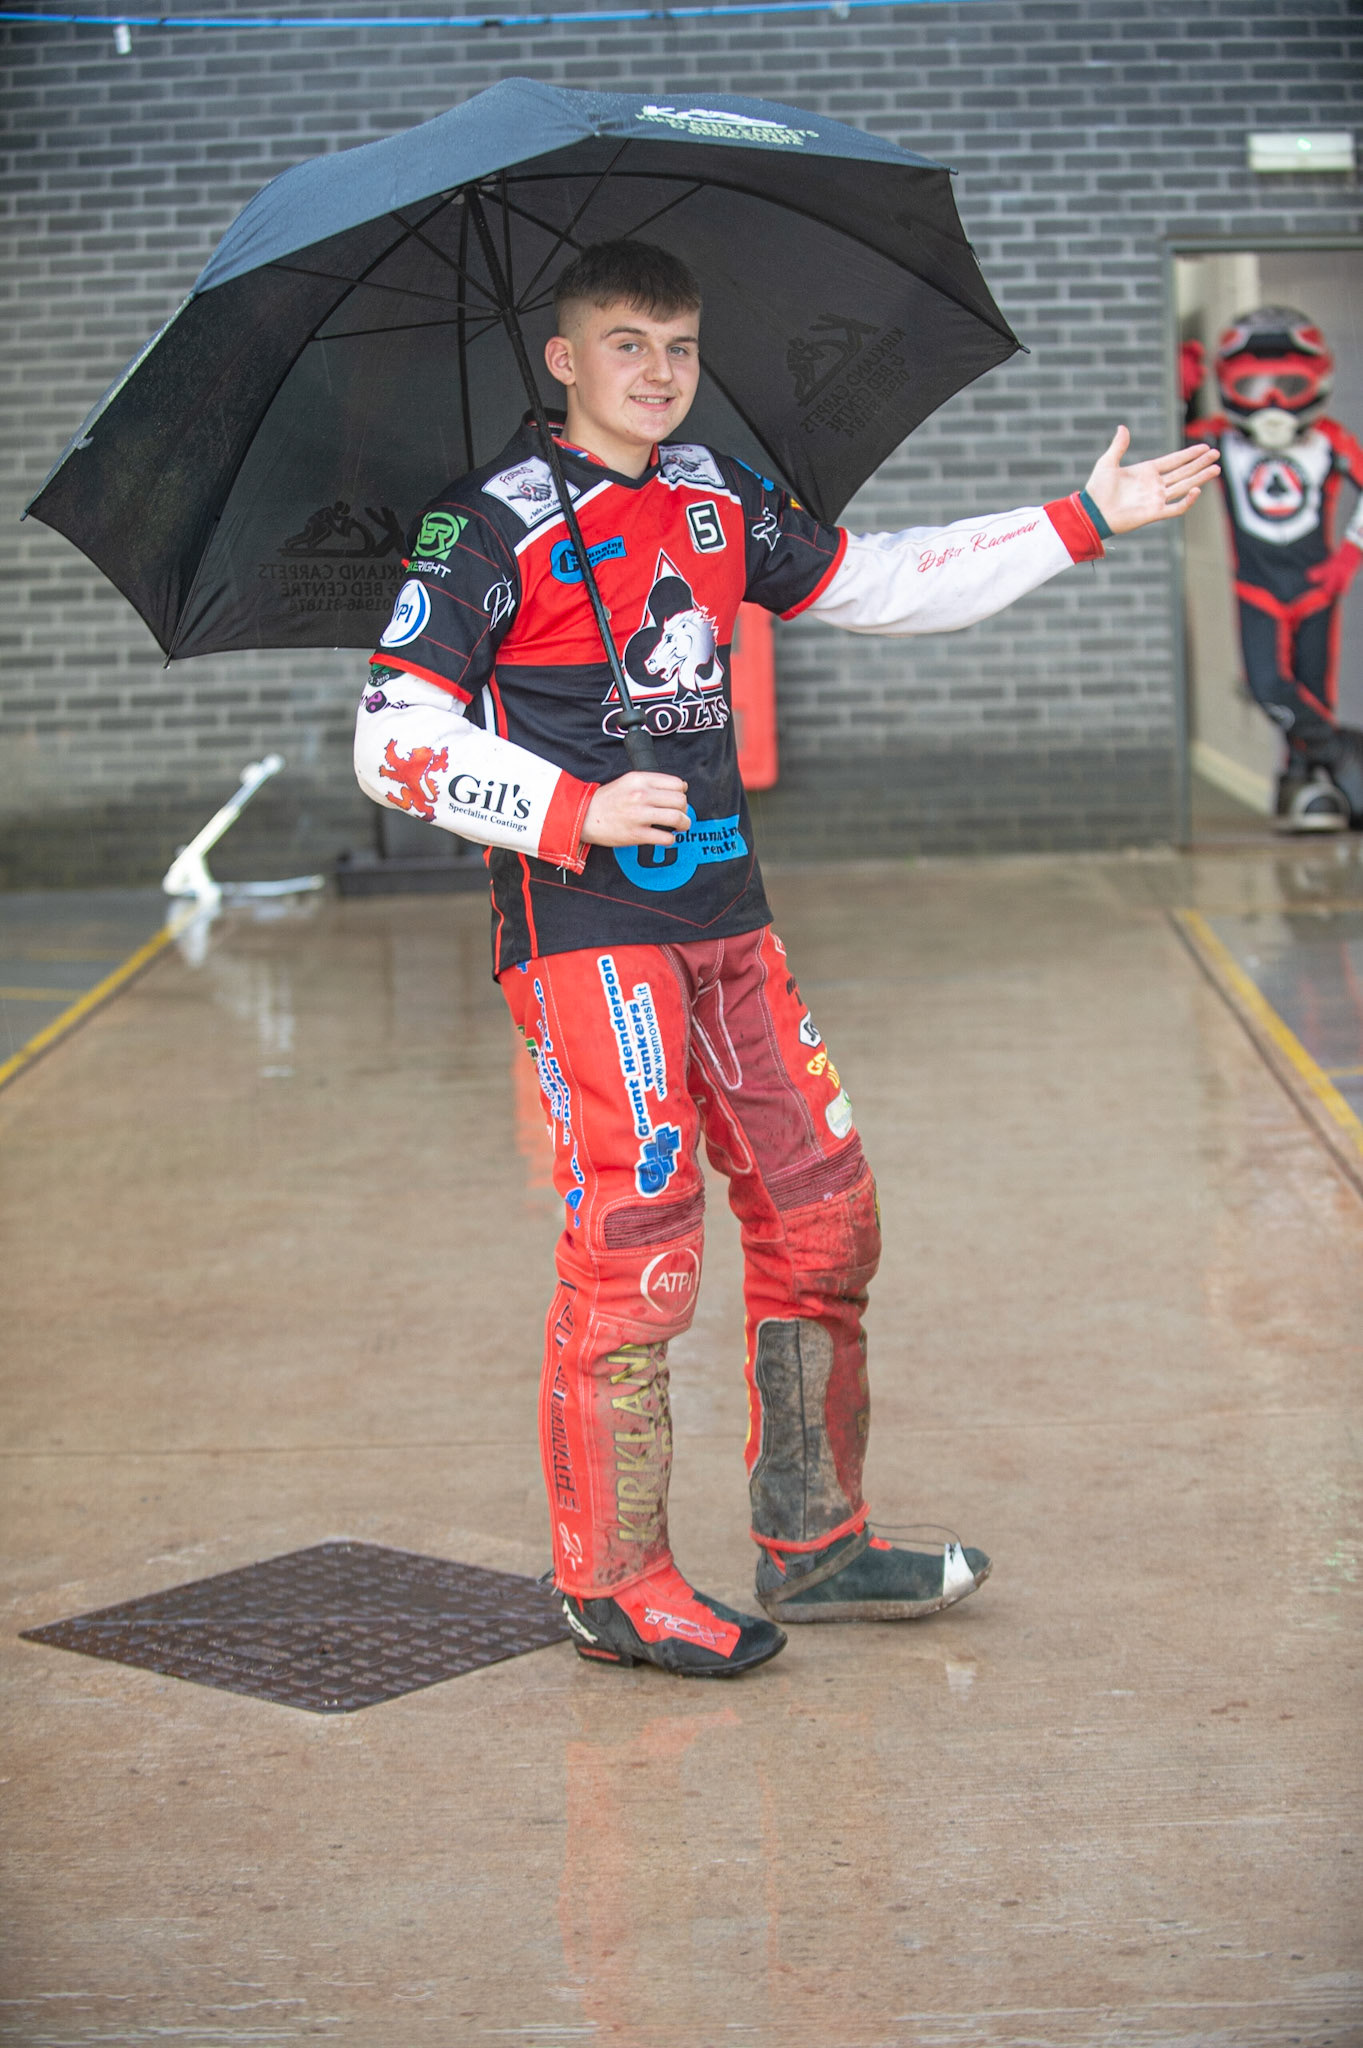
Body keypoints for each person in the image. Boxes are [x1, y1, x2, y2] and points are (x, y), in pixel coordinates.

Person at [355, 239, 1218, 1677]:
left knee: (824, 1218)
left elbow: (878, 581)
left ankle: (813, 1543)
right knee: (637, 1247)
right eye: (626, 345)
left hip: (728, 919)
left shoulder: (715, 493)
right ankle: (610, 1584)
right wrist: (572, 808)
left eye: (679, 347)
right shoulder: (483, 524)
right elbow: (390, 739)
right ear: (561, 360)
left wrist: (1079, 519)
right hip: (583, 933)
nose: (659, 374)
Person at [1182, 307, 1363, 831]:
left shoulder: (1331, 439)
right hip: (1257, 589)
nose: (1272, 402)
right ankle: (1343, 754)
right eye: (1255, 386)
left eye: (1286, 385)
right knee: (1268, 687)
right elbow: (1168, 457)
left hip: (1317, 588)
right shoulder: (1218, 438)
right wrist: (1180, 395)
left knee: (1313, 689)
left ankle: (1302, 784)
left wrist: (1347, 558)